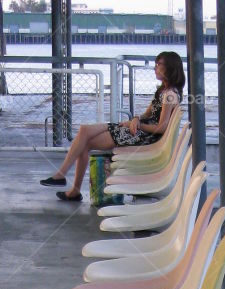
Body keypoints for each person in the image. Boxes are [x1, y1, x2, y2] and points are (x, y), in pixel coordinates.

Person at [40, 51, 185, 202]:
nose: (155, 68)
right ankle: (66, 182)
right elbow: (147, 114)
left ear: (170, 68)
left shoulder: (170, 95)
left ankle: (68, 183)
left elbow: (161, 127)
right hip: (137, 130)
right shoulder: (163, 91)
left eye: (159, 65)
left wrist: (138, 125)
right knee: (84, 131)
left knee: (85, 142)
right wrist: (136, 119)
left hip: (143, 137)